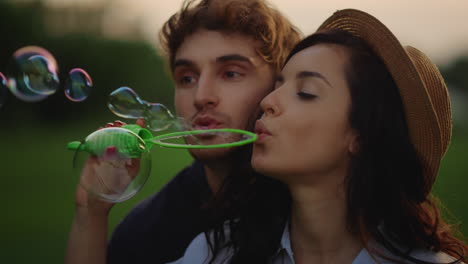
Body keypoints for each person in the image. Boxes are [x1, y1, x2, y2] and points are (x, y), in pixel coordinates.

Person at [170, 9, 467, 263]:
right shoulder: (215, 253)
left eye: (305, 93)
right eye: (279, 85)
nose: (267, 102)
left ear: (362, 136)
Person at [65, 0, 301, 264]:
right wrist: (91, 214)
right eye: (187, 78)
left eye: (231, 73)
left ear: (278, 89)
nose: (201, 97)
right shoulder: (145, 233)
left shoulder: (314, 209)